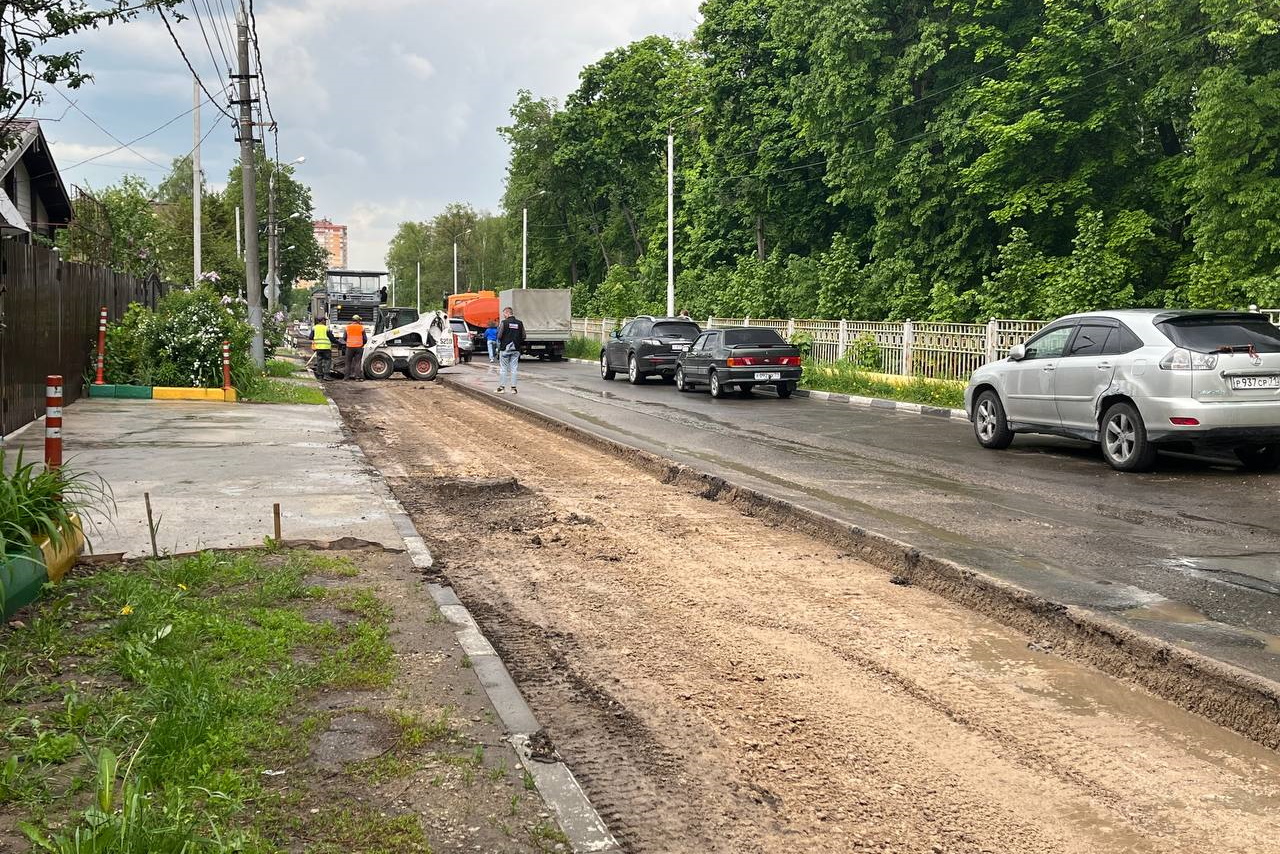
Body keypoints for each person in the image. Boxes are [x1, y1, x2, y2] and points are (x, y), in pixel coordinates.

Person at [496, 306, 525, 393]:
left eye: (504, 314)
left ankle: (502, 388)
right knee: (514, 368)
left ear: (507, 313)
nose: (504, 315)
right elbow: (524, 336)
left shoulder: (504, 323)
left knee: (503, 368)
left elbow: (499, 335)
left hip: (505, 348)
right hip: (516, 349)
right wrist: (517, 341)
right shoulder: (520, 323)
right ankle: (513, 388)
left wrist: (503, 341)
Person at [310, 315, 339, 380]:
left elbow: (310, 337)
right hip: (326, 347)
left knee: (319, 361)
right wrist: (338, 343)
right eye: (324, 320)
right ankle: (326, 375)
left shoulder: (314, 328)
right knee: (327, 361)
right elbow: (332, 338)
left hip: (318, 347)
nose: (325, 321)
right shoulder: (326, 328)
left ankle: (320, 375)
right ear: (322, 321)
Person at [344, 315, 366, 380]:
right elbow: (365, 338)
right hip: (359, 347)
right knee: (357, 362)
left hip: (349, 347)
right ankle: (357, 377)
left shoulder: (347, 327)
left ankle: (346, 377)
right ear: (358, 320)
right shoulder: (361, 327)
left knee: (348, 362)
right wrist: (362, 344)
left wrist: (348, 342)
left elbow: (344, 337)